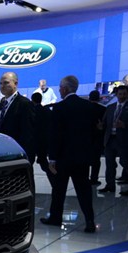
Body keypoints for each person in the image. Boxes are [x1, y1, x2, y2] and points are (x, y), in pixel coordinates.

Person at [40, 75, 98, 233]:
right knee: (84, 190)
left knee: (59, 189)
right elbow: (94, 131)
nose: (59, 90)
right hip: (82, 156)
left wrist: (52, 158)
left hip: (63, 157)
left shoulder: (59, 108)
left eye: (60, 88)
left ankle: (55, 217)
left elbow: (55, 135)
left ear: (65, 89)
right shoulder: (88, 106)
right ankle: (90, 220)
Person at [0, 71, 36, 164]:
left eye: (6, 83)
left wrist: (25, 156)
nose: (2, 86)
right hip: (1, 153)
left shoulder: (24, 104)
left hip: (17, 154)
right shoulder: (1, 105)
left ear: (15, 84)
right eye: (0, 83)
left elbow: (28, 133)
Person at [100, 85, 128, 193]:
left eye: (124, 94)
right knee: (109, 164)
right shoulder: (110, 107)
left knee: (126, 162)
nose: (122, 96)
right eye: (120, 94)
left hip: (124, 139)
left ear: (127, 94)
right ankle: (110, 185)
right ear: (116, 95)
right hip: (110, 139)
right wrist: (101, 126)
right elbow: (105, 122)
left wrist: (125, 125)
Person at [31, 92, 54, 186]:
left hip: (33, 141)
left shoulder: (32, 112)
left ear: (32, 100)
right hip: (44, 141)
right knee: (44, 162)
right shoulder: (48, 111)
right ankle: (54, 182)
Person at [87, 90, 106, 185]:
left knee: (85, 159)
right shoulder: (103, 109)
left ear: (89, 98)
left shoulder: (84, 109)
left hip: (85, 137)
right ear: (99, 98)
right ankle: (94, 178)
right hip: (98, 137)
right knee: (96, 160)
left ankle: (84, 178)